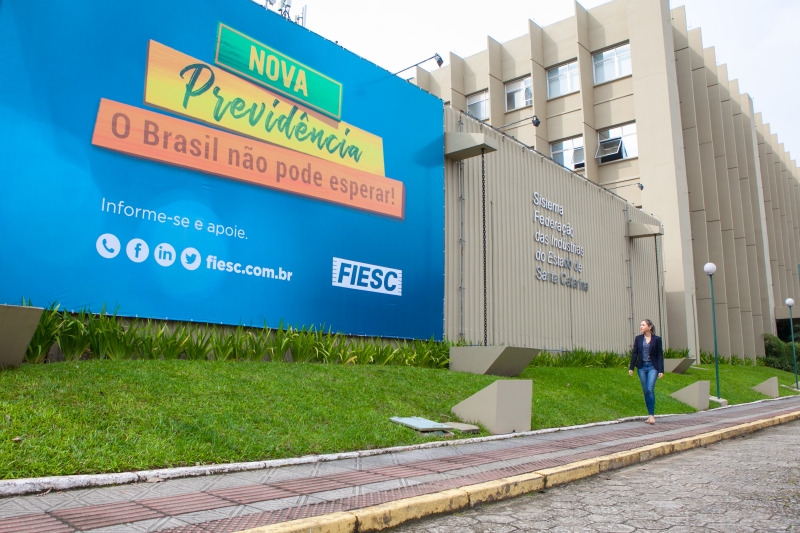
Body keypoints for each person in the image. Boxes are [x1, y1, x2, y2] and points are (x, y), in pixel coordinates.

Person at [628, 319, 664, 424]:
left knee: (649, 389)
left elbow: (660, 355)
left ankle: (652, 416)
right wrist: (631, 367)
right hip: (642, 367)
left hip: (653, 367)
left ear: (650, 327)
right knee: (646, 391)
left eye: (643, 325)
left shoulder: (657, 339)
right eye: (640, 325)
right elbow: (635, 353)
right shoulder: (638, 338)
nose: (641, 327)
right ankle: (649, 415)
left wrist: (661, 369)